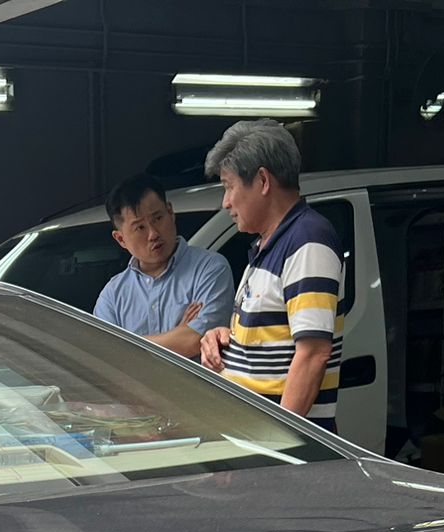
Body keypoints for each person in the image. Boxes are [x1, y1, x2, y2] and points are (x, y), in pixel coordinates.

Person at [198, 121, 345, 428]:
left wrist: (278, 439)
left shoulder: (307, 241)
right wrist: (226, 339)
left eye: (229, 186)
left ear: (263, 181)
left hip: (276, 443)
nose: (226, 202)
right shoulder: (269, 245)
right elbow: (275, 332)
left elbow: (313, 354)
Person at [92, 173, 234, 360]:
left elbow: (194, 341)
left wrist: (126, 345)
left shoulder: (210, 268)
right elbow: (106, 357)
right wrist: (177, 334)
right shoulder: (112, 295)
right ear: (121, 239)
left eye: (158, 218)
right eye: (140, 227)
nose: (153, 234)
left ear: (170, 212)